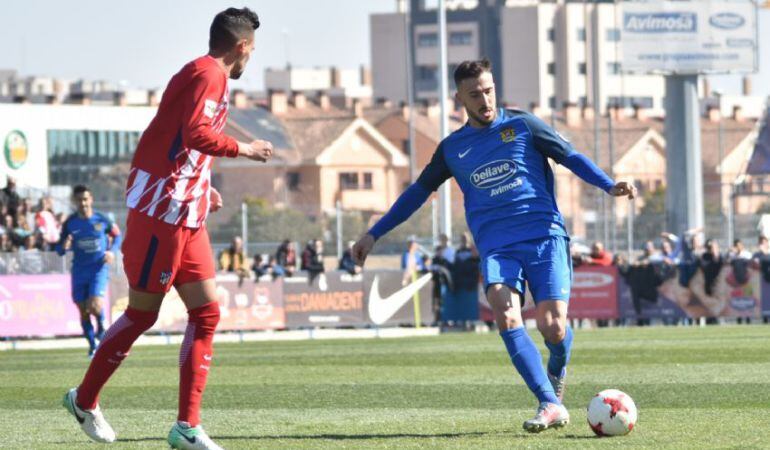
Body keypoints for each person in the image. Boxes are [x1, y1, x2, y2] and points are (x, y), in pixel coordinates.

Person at [352, 59, 635, 433]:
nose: (484, 99)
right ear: (459, 99)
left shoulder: (523, 125)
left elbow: (571, 158)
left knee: (553, 327)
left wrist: (608, 184)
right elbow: (416, 194)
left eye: (488, 90)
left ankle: (557, 367)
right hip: (497, 247)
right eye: (474, 94)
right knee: (505, 311)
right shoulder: (452, 148)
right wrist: (374, 233)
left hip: (544, 236)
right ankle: (549, 402)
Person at [62, 8, 272, 450]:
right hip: (161, 212)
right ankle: (84, 400)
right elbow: (196, 133)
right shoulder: (209, 75)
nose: (252, 57)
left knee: (207, 313)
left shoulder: (201, 73)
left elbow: (179, 141)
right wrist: (246, 149)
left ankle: (186, 427)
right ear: (243, 47)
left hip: (186, 210)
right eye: (253, 49)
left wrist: (204, 185)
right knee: (143, 314)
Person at [55, 185, 121, 356]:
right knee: (83, 310)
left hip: (98, 269)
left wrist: (111, 251)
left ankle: (101, 327)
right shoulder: (70, 223)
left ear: (90, 199)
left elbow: (117, 235)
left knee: (95, 304)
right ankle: (92, 345)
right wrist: (64, 245)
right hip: (79, 271)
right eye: (79, 200)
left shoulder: (101, 219)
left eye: (85, 199)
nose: (83, 203)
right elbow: (60, 249)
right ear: (74, 201)